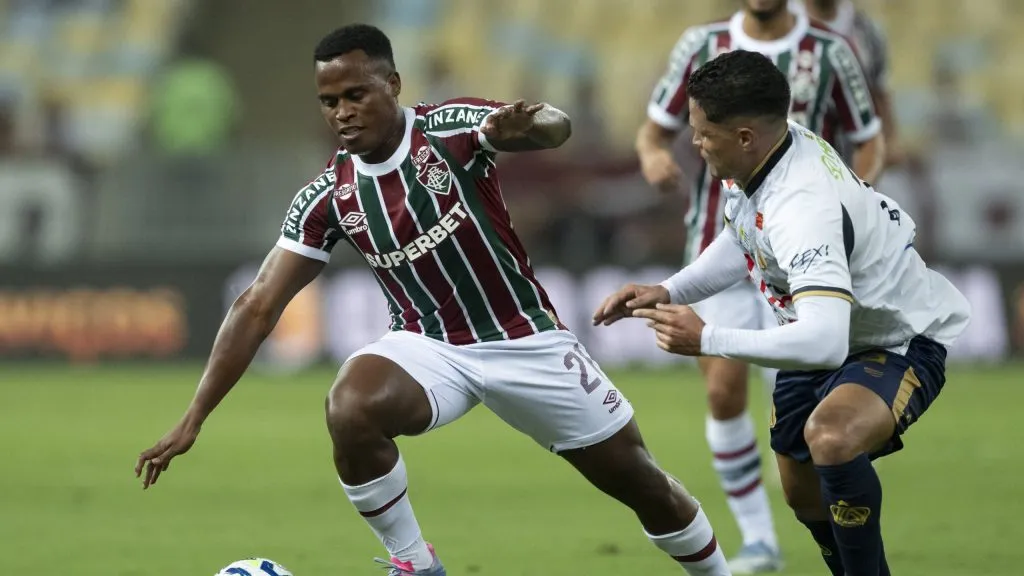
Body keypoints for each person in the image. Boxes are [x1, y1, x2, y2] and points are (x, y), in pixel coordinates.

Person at [135, 24, 733, 576]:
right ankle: (416, 564)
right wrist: (194, 417)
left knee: (641, 484)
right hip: (429, 346)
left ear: (393, 85)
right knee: (351, 406)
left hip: (525, 339)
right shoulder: (328, 196)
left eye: (355, 94)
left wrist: (535, 124)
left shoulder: (449, 129)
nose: (342, 112)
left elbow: (553, 128)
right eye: (329, 101)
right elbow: (257, 305)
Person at [595, 50, 970, 576]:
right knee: (802, 493)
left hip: (894, 337)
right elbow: (743, 238)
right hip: (818, 330)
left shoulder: (803, 207)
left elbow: (825, 343)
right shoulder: (766, 153)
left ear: (745, 136)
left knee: (832, 438)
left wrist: (707, 338)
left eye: (703, 134)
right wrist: (669, 290)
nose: (695, 144)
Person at [636, 0, 884, 571]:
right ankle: (759, 540)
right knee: (723, 391)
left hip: (802, 246)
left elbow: (870, 138)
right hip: (723, 243)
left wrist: (849, 203)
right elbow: (653, 133)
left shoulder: (830, 51)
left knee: (801, 401)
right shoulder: (701, 45)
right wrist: (652, 157)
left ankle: (834, 521)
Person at [794, 0, 905, 167]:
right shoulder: (785, 26)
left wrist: (891, 138)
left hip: (852, 154)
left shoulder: (866, 31)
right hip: (800, 156)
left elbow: (878, 89)